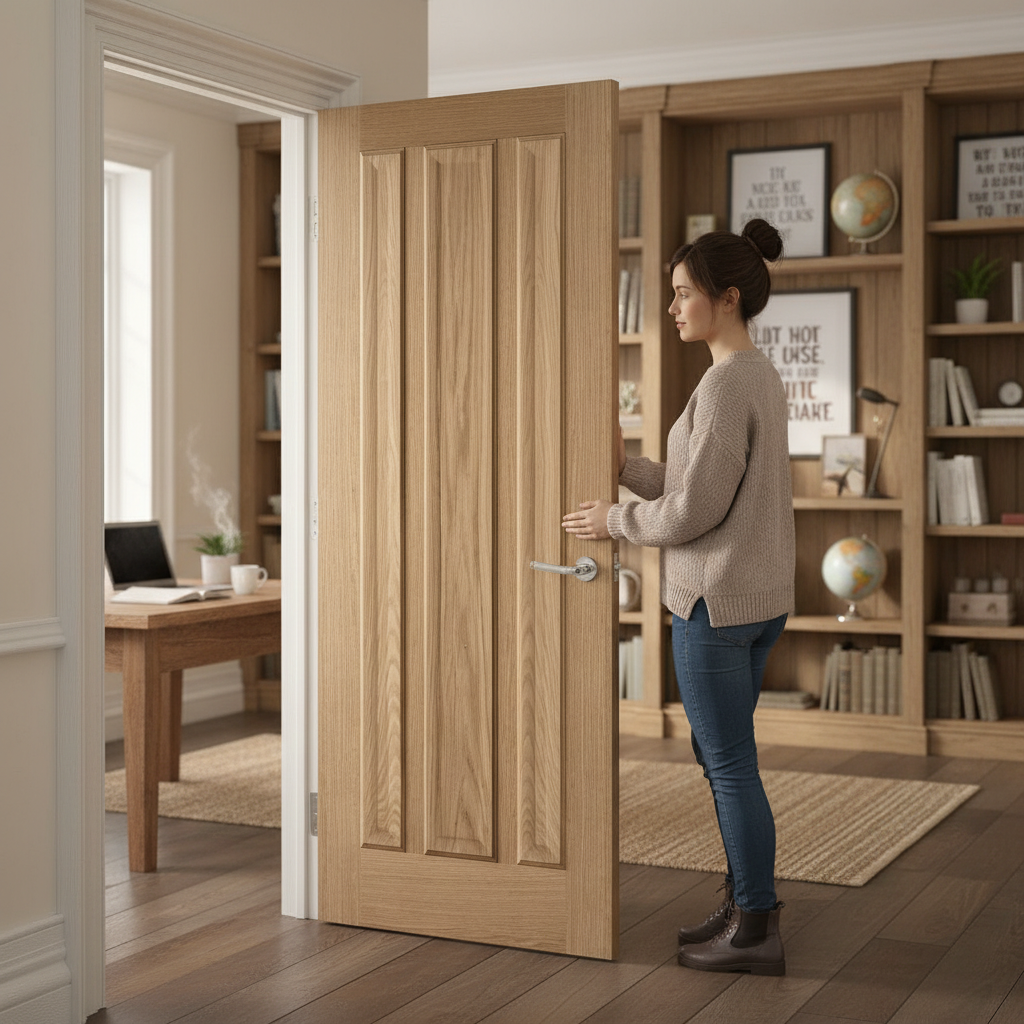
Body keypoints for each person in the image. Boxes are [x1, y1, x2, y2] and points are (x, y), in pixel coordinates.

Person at [562, 218, 796, 976]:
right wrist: (628, 467)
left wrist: (613, 521)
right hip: (755, 600)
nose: (672, 308)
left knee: (728, 766)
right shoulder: (755, 373)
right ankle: (742, 904)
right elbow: (704, 490)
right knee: (726, 758)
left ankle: (755, 927)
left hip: (713, 607)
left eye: (682, 294)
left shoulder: (728, 382)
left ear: (726, 298)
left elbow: (695, 514)